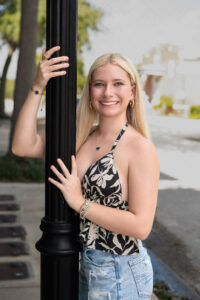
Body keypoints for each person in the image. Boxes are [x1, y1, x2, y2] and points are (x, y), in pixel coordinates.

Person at [12, 45, 159, 300]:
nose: (108, 92)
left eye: (118, 84)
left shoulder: (139, 147)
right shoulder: (82, 136)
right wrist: (38, 85)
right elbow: (23, 146)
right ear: (90, 91)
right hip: (87, 265)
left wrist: (80, 202)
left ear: (133, 91)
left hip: (121, 271)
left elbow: (141, 226)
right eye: (99, 84)